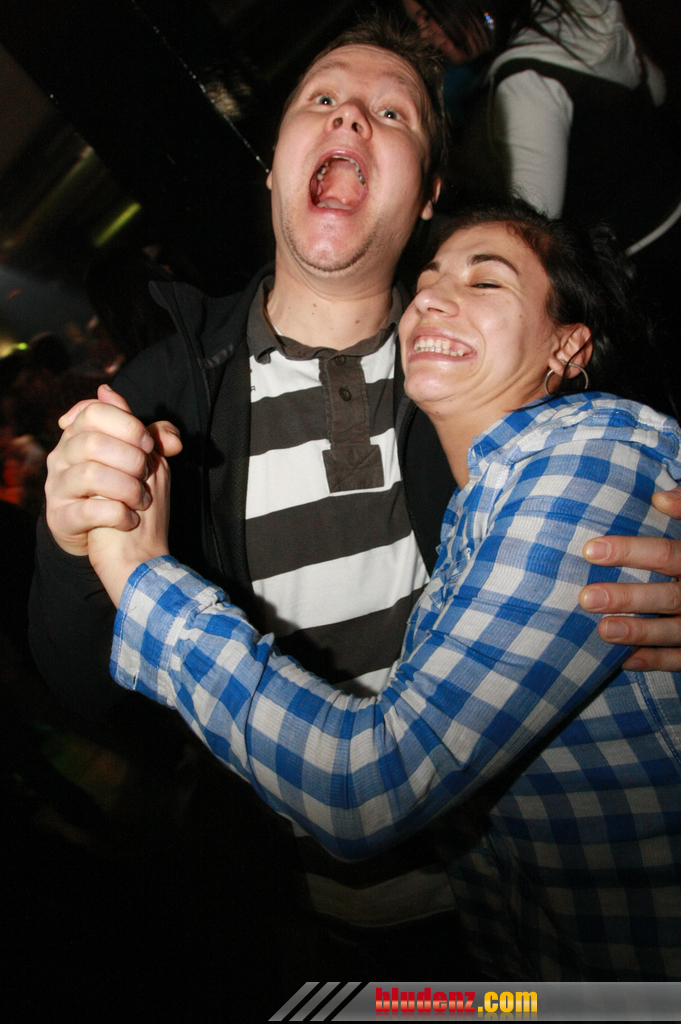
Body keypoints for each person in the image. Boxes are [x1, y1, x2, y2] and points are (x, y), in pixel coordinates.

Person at [30, 16, 681, 940]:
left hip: (526, 899)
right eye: (323, 99)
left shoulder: (472, 372)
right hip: (336, 920)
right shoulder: (164, 391)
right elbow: (85, 688)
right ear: (272, 164)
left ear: (429, 192)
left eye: (392, 113)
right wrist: (70, 546)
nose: (350, 120)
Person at [403, 0, 681, 256]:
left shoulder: (525, 84)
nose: (424, 35)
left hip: (638, 256)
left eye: (426, 16)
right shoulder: (580, 13)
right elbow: (657, 88)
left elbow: (534, 234)